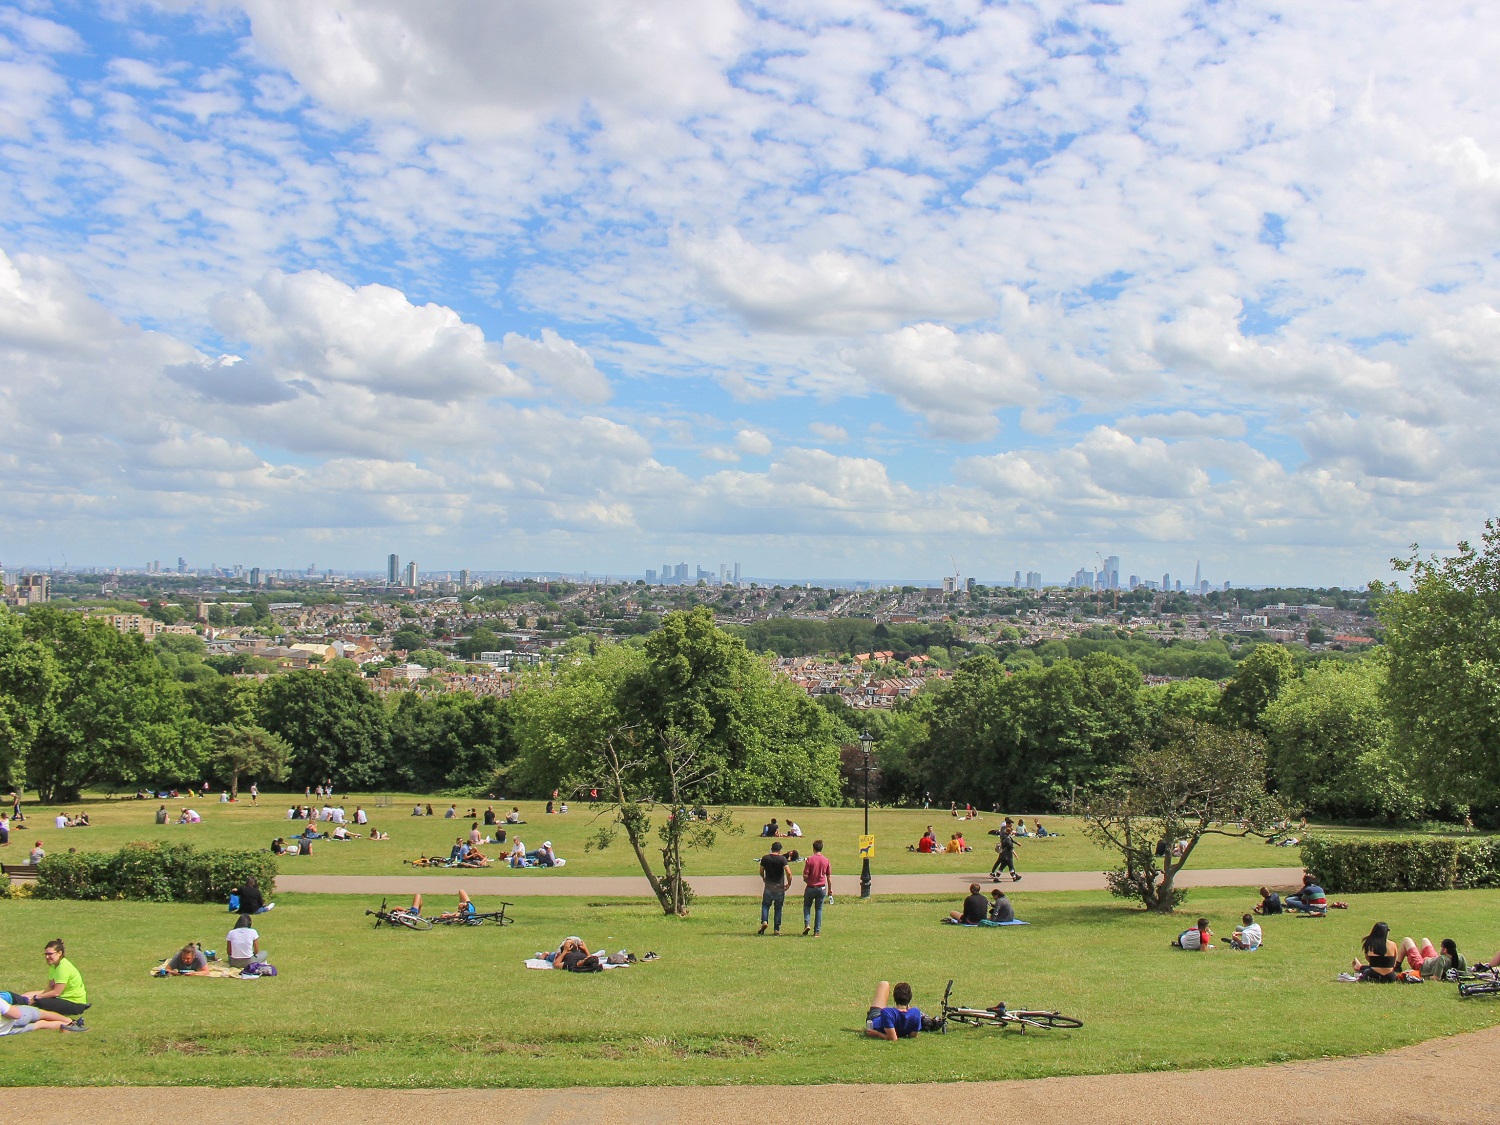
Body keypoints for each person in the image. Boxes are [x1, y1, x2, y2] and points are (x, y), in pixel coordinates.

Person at [14, 939, 90, 1018]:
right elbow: (50, 987)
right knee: (28, 995)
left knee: (40, 1003)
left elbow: (56, 992)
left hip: (74, 1003)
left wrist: (37, 998)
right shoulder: (53, 966)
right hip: (63, 998)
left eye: (50, 954)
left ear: (59, 953)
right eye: (45, 954)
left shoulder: (63, 968)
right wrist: (34, 996)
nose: (47, 957)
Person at [0, 995, 85, 1034]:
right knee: (42, 1014)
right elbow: (16, 1015)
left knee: (41, 1024)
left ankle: (67, 1026)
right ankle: (71, 1022)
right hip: (17, 1019)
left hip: (7, 1031)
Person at [758, 841, 791, 935]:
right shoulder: (782, 859)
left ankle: (764, 921)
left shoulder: (765, 858)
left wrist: (764, 878)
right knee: (778, 908)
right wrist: (789, 883)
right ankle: (776, 929)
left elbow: (761, 871)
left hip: (769, 887)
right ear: (779, 850)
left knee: (765, 905)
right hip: (779, 888)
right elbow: (788, 873)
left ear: (771, 848)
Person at [801, 838, 831, 937]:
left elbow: (805, 875)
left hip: (810, 887)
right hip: (821, 887)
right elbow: (828, 877)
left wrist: (807, 880)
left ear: (813, 848)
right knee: (819, 909)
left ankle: (807, 924)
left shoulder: (810, 860)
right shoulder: (826, 860)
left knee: (807, 906)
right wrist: (830, 889)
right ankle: (816, 932)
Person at [1401, 937, 1465, 979]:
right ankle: (1420, 957)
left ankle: (1397, 965)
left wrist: (1422, 977)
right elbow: (1465, 972)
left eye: (1441, 946)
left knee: (1406, 940)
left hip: (1421, 965)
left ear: (1445, 950)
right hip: (1433, 959)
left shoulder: (1442, 959)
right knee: (1425, 940)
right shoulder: (1460, 957)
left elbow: (1436, 977)